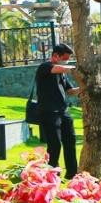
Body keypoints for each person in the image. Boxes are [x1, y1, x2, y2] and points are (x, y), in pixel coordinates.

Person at [35, 43, 80, 177]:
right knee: (54, 145)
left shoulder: (62, 74)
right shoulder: (45, 67)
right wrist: (76, 68)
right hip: (49, 113)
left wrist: (86, 87)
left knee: (70, 141)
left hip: (63, 111)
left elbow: (70, 91)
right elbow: (59, 68)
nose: (67, 62)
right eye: (65, 59)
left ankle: (72, 173)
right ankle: (52, 173)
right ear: (55, 56)